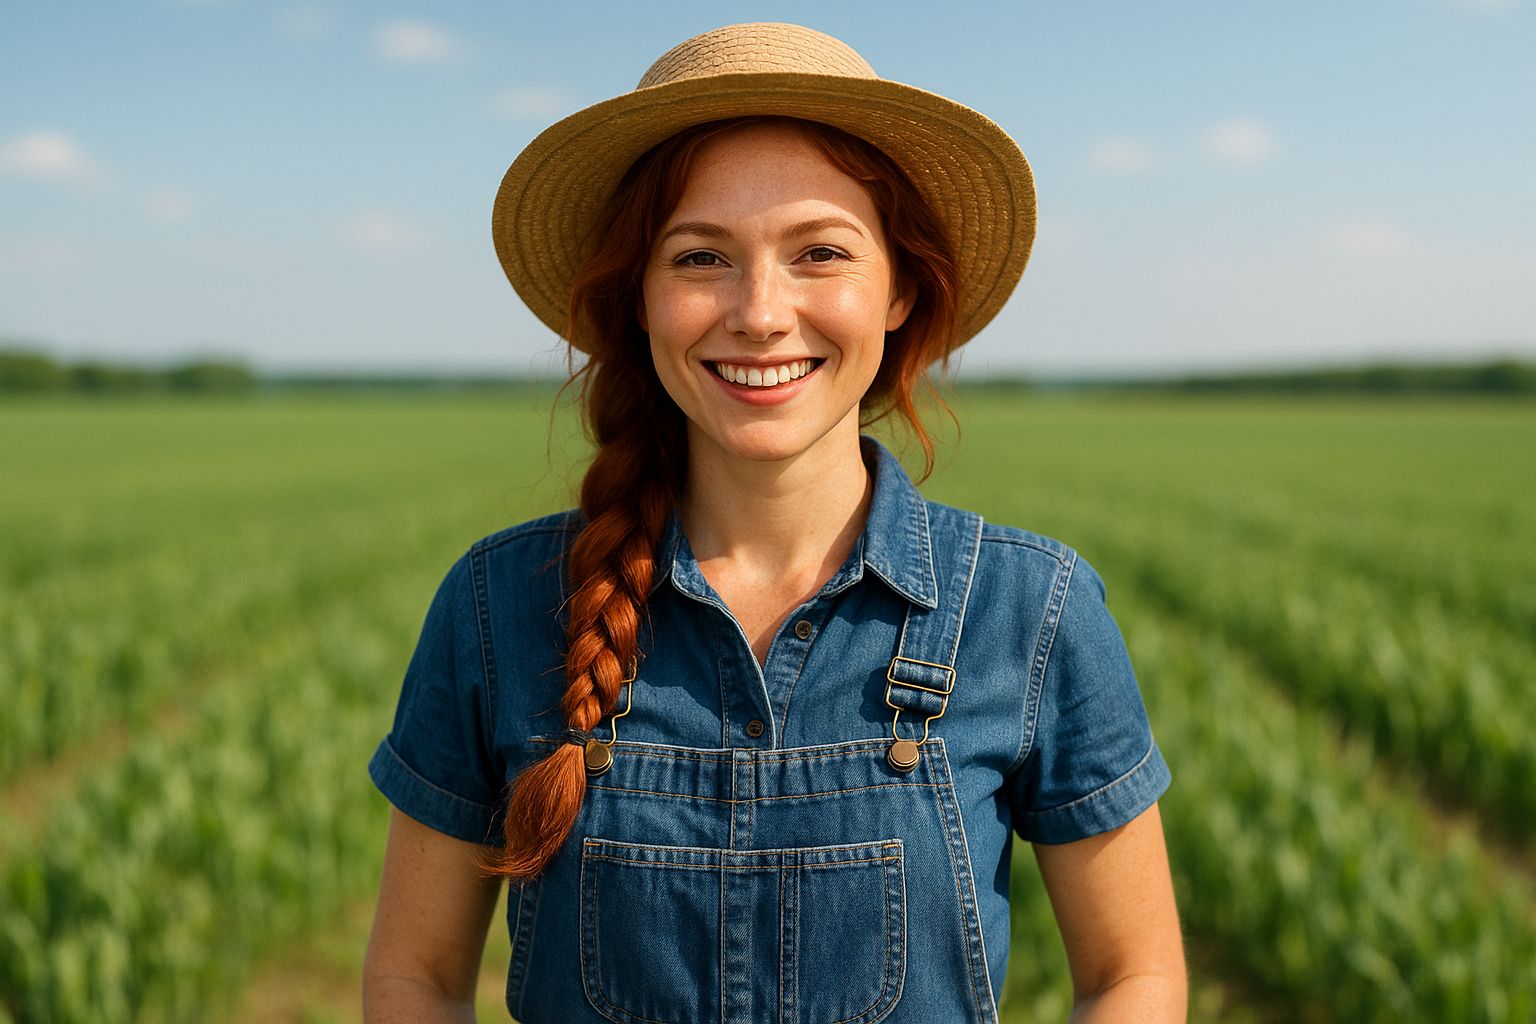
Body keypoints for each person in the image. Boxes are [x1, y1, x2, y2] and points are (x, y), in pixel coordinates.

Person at [362, 22, 1185, 1024]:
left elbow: (1133, 976)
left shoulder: (1031, 609)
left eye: (819, 253)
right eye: (702, 255)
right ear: (641, 303)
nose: (759, 312)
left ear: (899, 290)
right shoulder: (499, 606)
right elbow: (416, 979)